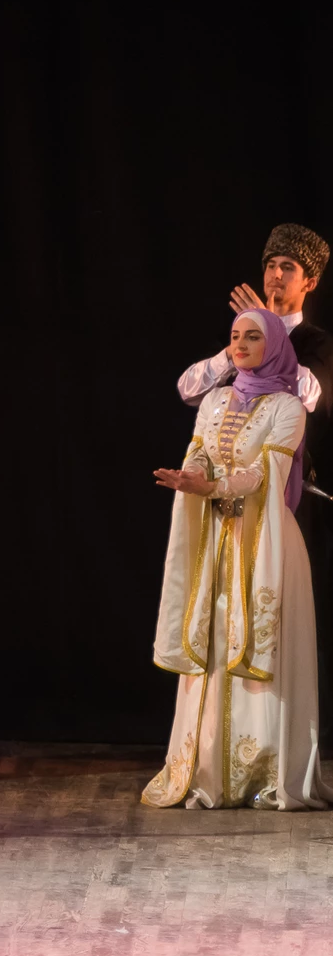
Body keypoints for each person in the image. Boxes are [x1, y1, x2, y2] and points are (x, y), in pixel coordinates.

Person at [145, 308, 329, 810]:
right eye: (235, 336)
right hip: (216, 538)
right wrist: (192, 477)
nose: (242, 345)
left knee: (260, 644)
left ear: (275, 345)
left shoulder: (289, 407)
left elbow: (264, 476)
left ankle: (263, 773)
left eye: (253, 337)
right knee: (212, 637)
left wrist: (213, 486)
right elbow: (200, 453)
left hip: (266, 541)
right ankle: (205, 769)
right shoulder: (216, 399)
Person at [177, 224, 333, 740]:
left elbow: (309, 397)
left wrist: (272, 338)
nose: (276, 275)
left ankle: (280, 741)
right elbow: (190, 389)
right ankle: (224, 738)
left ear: (309, 282)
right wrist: (247, 337)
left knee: (279, 618)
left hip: (287, 501)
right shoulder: (244, 339)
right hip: (227, 505)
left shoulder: (315, 344)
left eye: (289, 267)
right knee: (225, 616)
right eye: (270, 265)